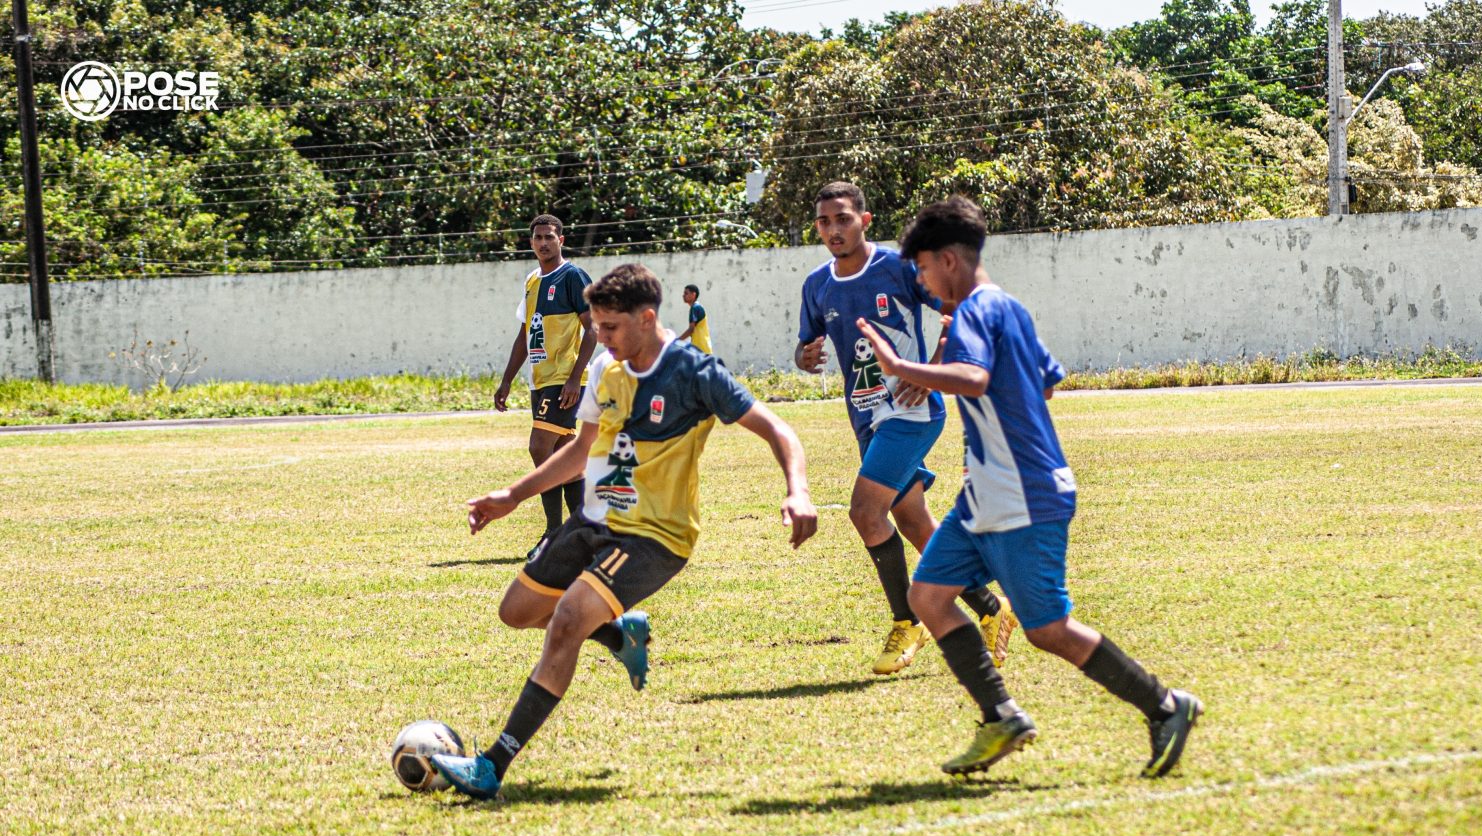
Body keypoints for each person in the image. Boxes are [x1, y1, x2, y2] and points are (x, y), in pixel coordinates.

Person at [433, 263, 818, 800]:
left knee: (566, 621)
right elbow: (580, 449)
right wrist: (513, 495)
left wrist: (797, 490)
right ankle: (619, 633)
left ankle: (493, 764)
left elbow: (778, 430)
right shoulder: (605, 372)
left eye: (609, 328)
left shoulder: (697, 373)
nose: (600, 338)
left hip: (655, 536)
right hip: (594, 520)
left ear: (646, 318)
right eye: (596, 326)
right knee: (517, 612)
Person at [855, 196, 1202, 777]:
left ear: (947, 260)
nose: (920, 280)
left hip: (1023, 494)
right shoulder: (1008, 308)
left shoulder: (970, 313)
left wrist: (902, 366)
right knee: (928, 596)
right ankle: (1001, 717)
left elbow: (974, 377)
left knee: (1047, 629)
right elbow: (1043, 383)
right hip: (985, 493)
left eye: (921, 268)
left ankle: (1165, 706)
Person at [795, 181, 1015, 677]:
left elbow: (957, 307)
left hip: (912, 412)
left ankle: (905, 621)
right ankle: (990, 607)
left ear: (864, 221)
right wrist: (805, 357)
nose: (834, 229)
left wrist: (931, 366)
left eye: (843, 219)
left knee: (864, 513)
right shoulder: (817, 285)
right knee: (913, 521)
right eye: (825, 221)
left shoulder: (897, 268)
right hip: (866, 415)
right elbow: (805, 344)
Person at [493, 215, 598, 559]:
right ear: (531, 243)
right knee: (564, 457)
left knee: (540, 447)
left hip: (563, 380)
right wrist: (507, 379)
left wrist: (574, 377)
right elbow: (525, 334)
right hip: (541, 380)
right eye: (538, 237)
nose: (543, 243)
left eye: (549, 237)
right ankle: (585, 531)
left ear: (561, 240)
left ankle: (555, 533)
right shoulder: (532, 281)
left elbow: (592, 328)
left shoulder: (573, 276)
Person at [679, 283, 712, 354]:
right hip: (703, 347)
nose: (683, 295)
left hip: (700, 349)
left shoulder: (694, 308)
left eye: (686, 293)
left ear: (693, 295)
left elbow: (691, 329)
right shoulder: (698, 307)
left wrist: (678, 341)